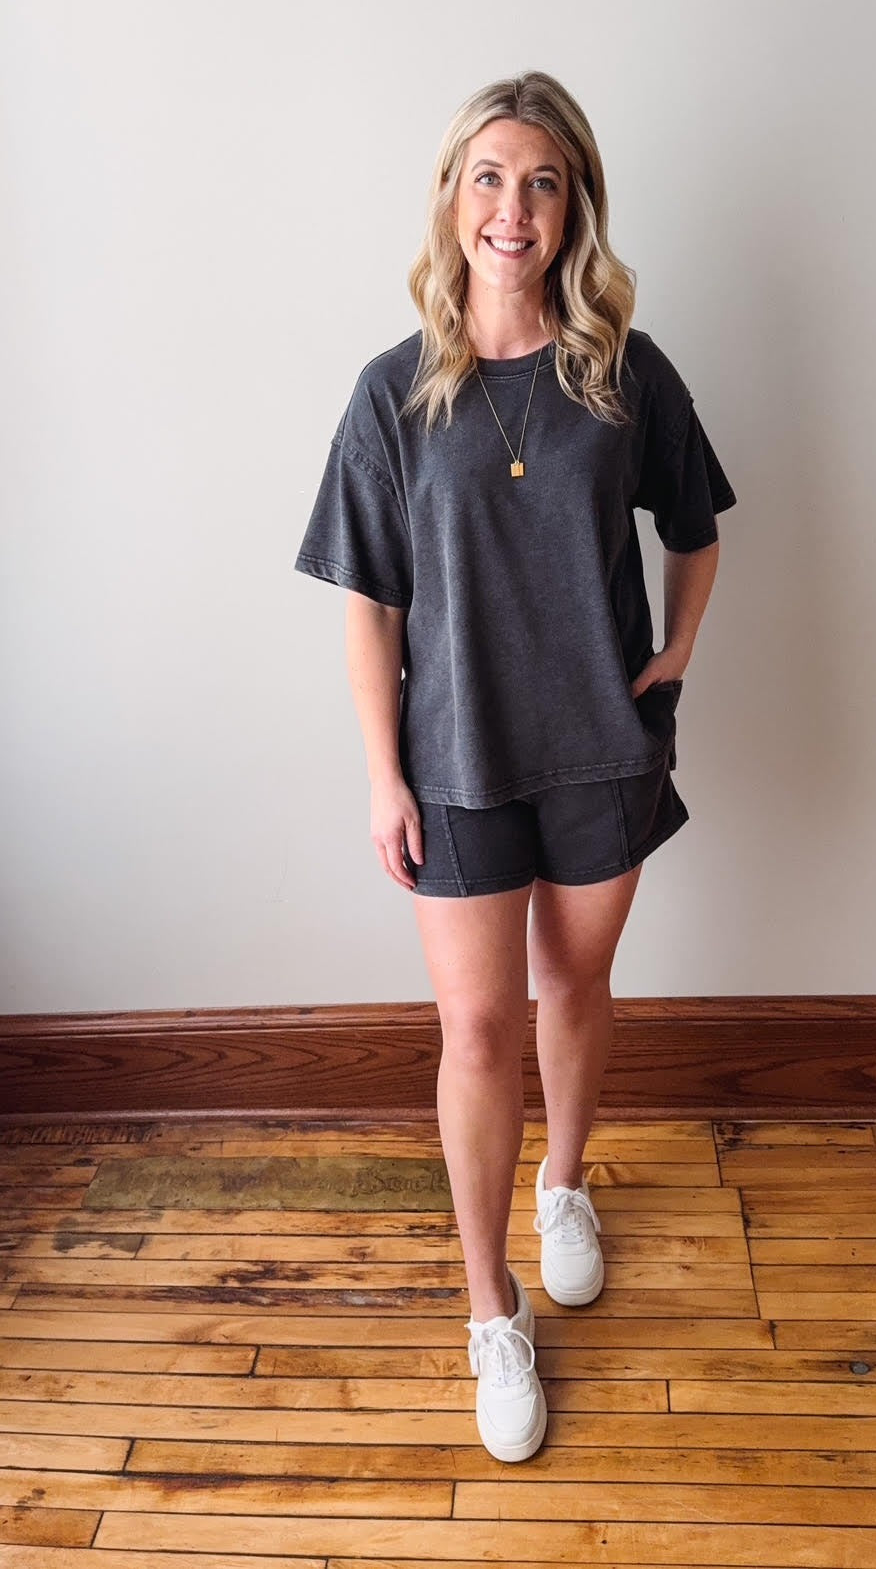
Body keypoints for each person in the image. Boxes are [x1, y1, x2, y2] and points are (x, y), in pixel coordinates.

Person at [294, 70, 736, 1462]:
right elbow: (365, 601)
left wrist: (673, 655)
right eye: (489, 177)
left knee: (578, 985)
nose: (513, 206)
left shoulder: (624, 369)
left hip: (602, 751)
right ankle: (491, 1305)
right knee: (478, 1032)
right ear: (453, 200)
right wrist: (384, 774)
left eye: (541, 181)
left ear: (573, 206)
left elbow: (700, 525)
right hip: (461, 761)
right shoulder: (391, 395)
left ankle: (564, 1184)